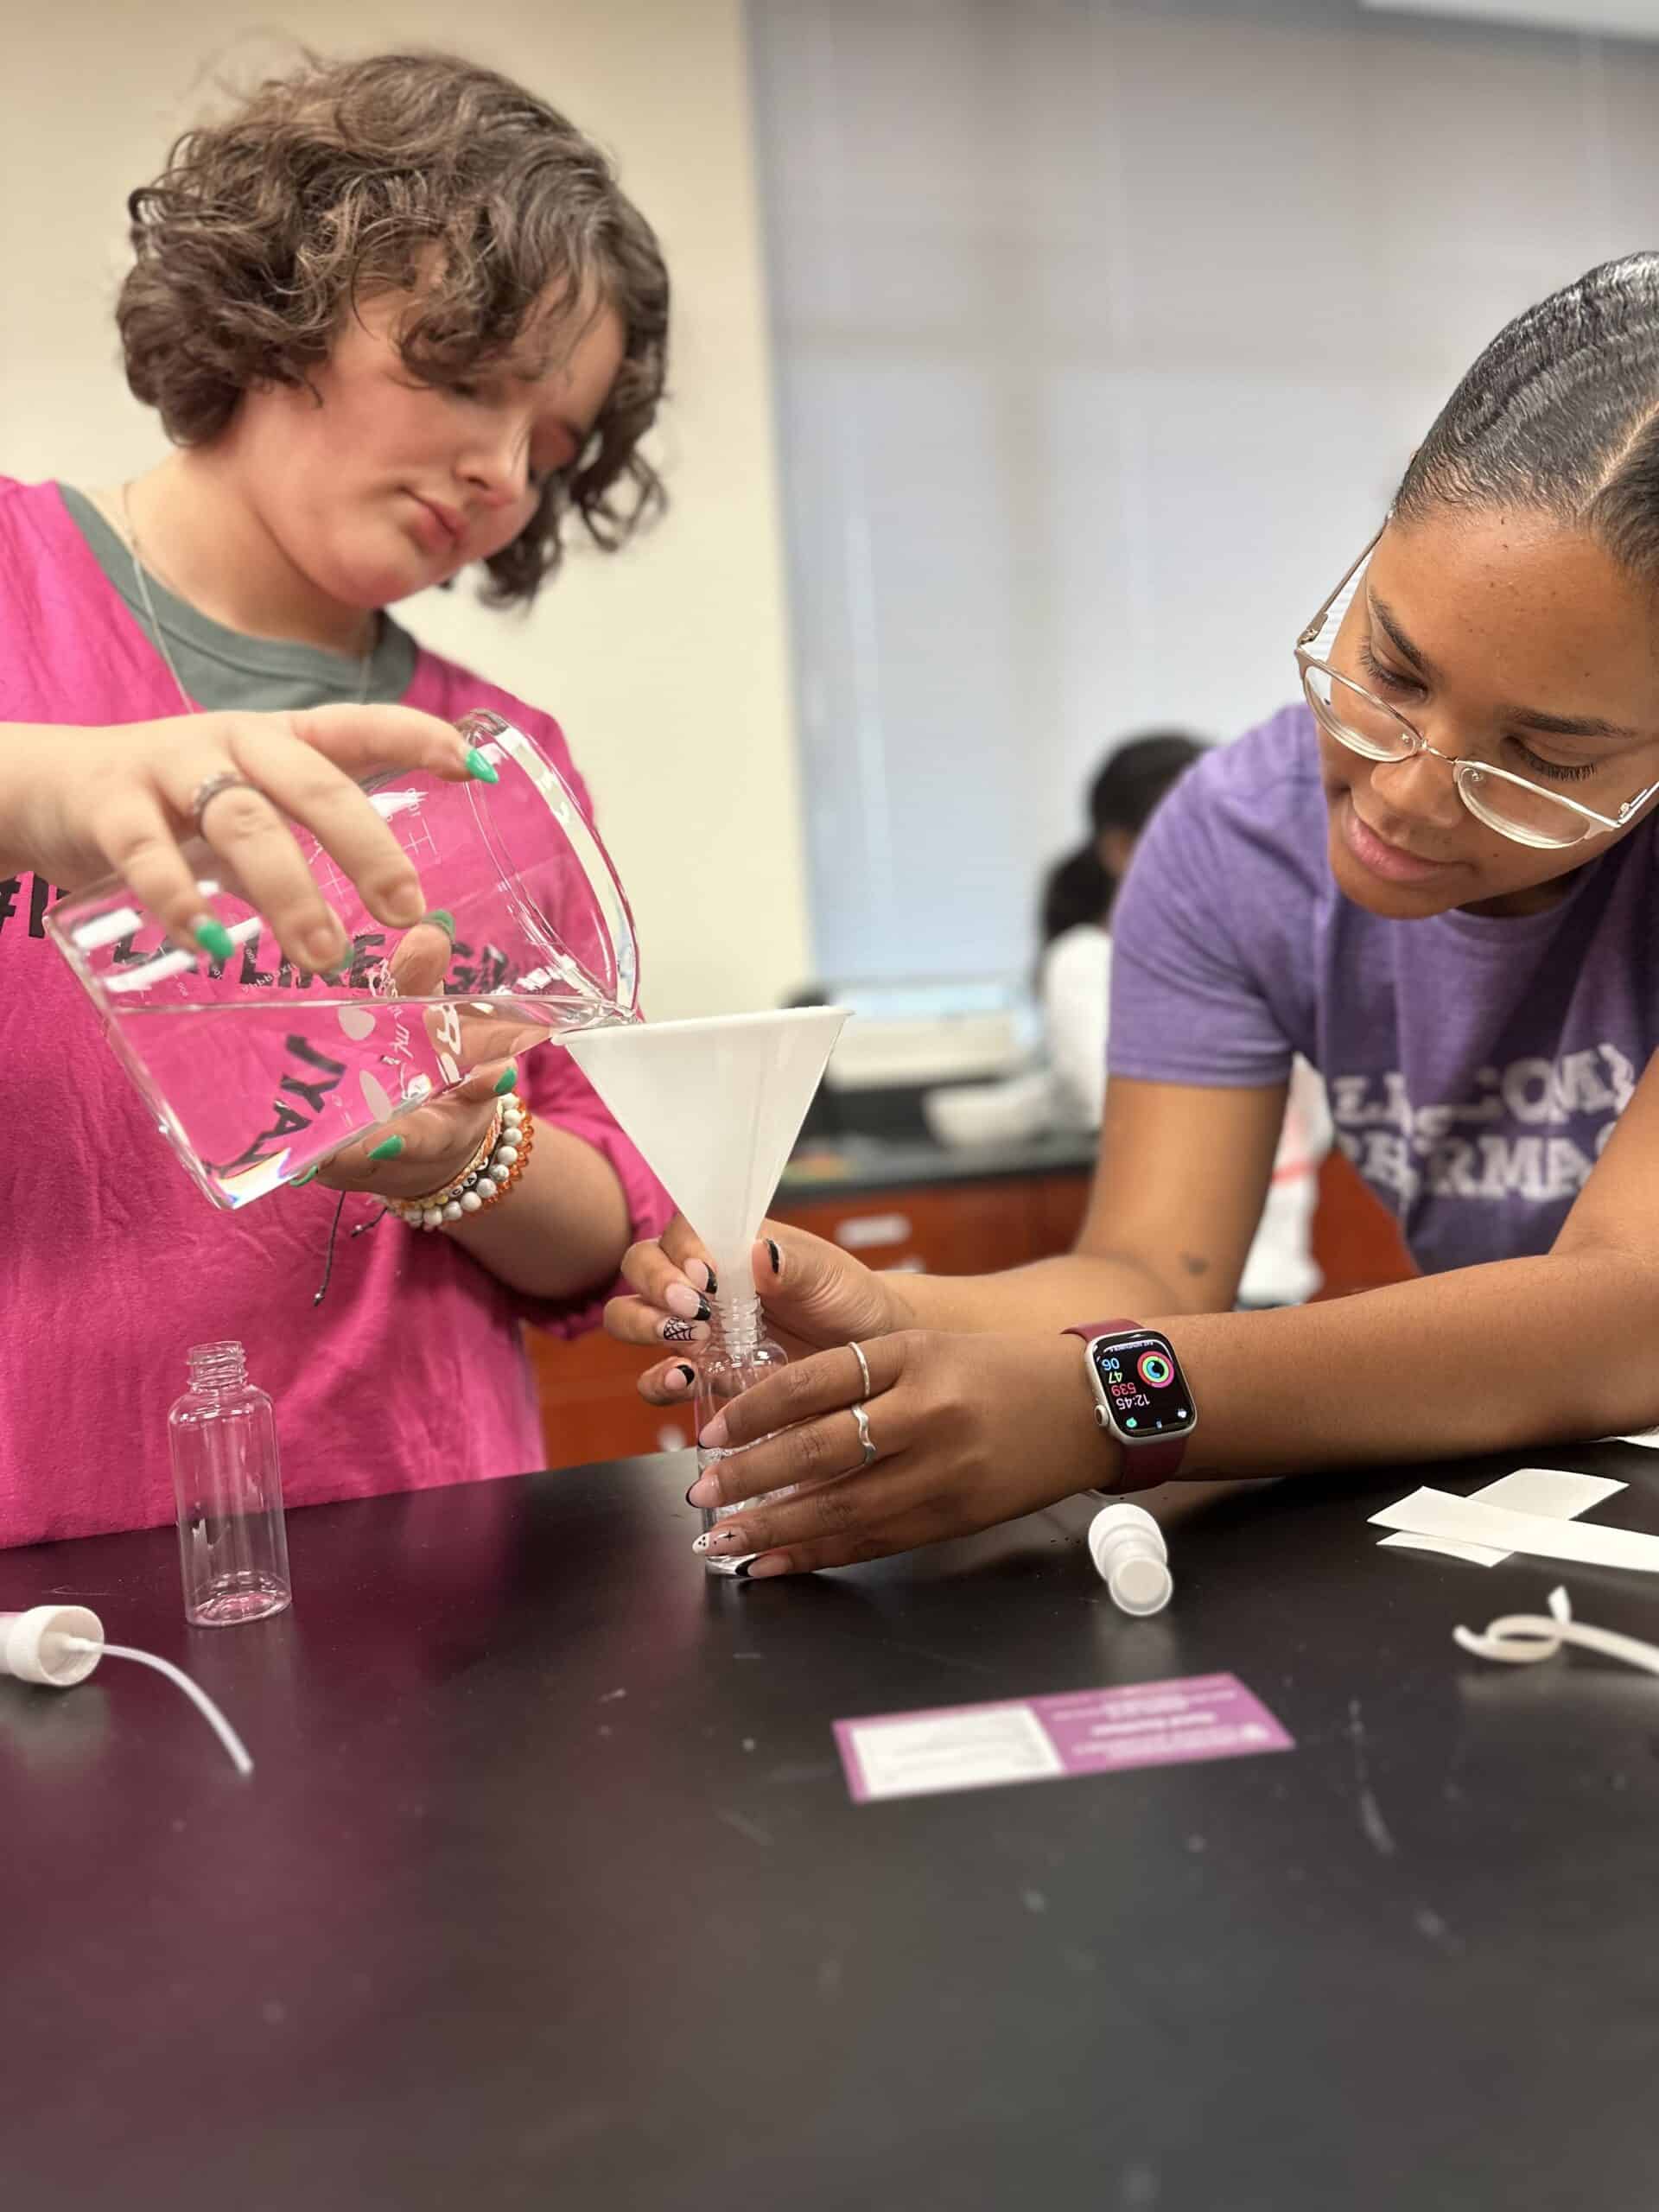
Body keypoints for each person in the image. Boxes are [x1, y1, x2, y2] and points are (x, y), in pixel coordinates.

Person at [610, 252, 1659, 1577]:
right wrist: (888, 1314)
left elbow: (1630, 1308)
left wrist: (1108, 1402)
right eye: (1392, 671)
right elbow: (1150, 1279)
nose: (1404, 791)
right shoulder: (1235, 842)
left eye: (1542, 758)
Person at [0, 51, 676, 1546]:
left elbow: (604, 1232)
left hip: (425, 1553)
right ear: (281, 296)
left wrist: (464, 1157)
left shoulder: (491, 759)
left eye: (550, 445)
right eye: (466, 376)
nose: (503, 473)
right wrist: (51, 781)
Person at [1038, 731, 1330, 1307]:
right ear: (1120, 850)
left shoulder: (1267, 953)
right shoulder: (1087, 962)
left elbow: (1320, 1113)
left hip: (1284, 1268)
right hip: (1193, 1282)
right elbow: (1118, 1099)